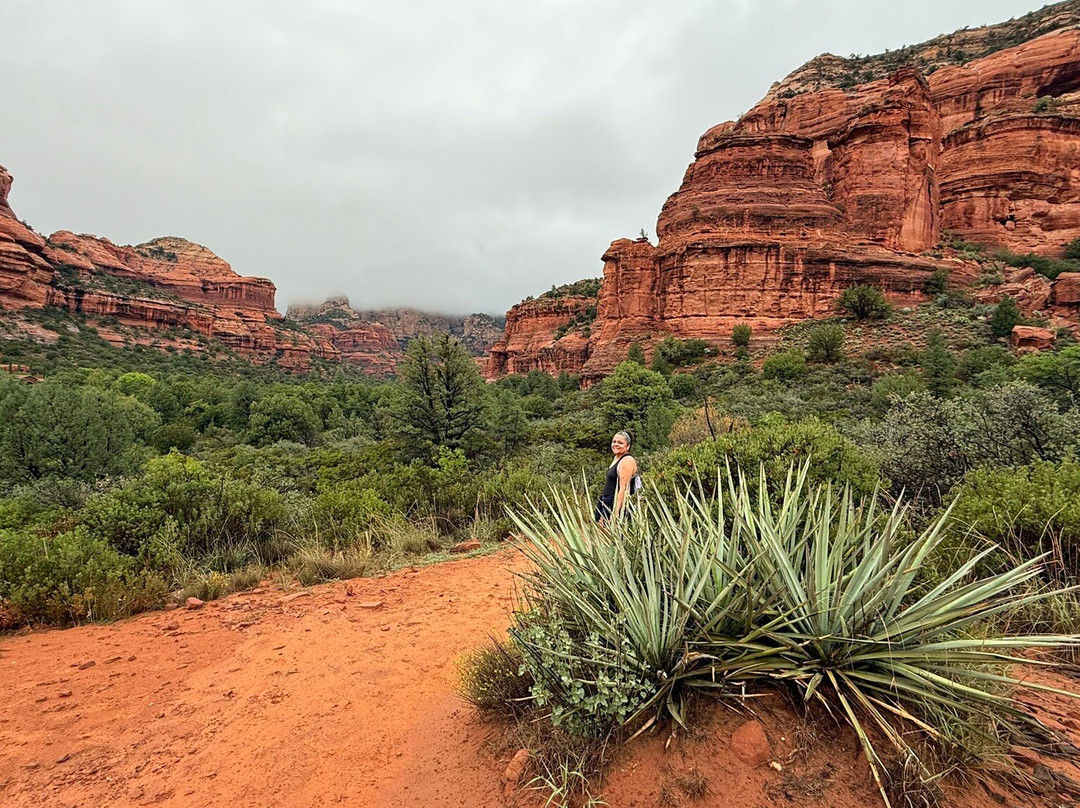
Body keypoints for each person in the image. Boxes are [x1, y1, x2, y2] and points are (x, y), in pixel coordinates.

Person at [594, 430, 638, 524]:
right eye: (614, 442)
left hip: (615, 504)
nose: (615, 444)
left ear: (627, 446)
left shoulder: (627, 461)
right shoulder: (616, 458)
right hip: (606, 502)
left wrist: (616, 512)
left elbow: (623, 489)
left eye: (620, 443)